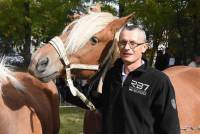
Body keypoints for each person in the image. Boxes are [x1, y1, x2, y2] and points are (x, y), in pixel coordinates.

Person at [91, 24, 180, 134]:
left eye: (132, 43)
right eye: (123, 42)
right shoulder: (110, 75)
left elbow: (169, 126)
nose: (127, 48)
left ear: (144, 47)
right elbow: (95, 101)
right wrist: (65, 83)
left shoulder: (158, 80)